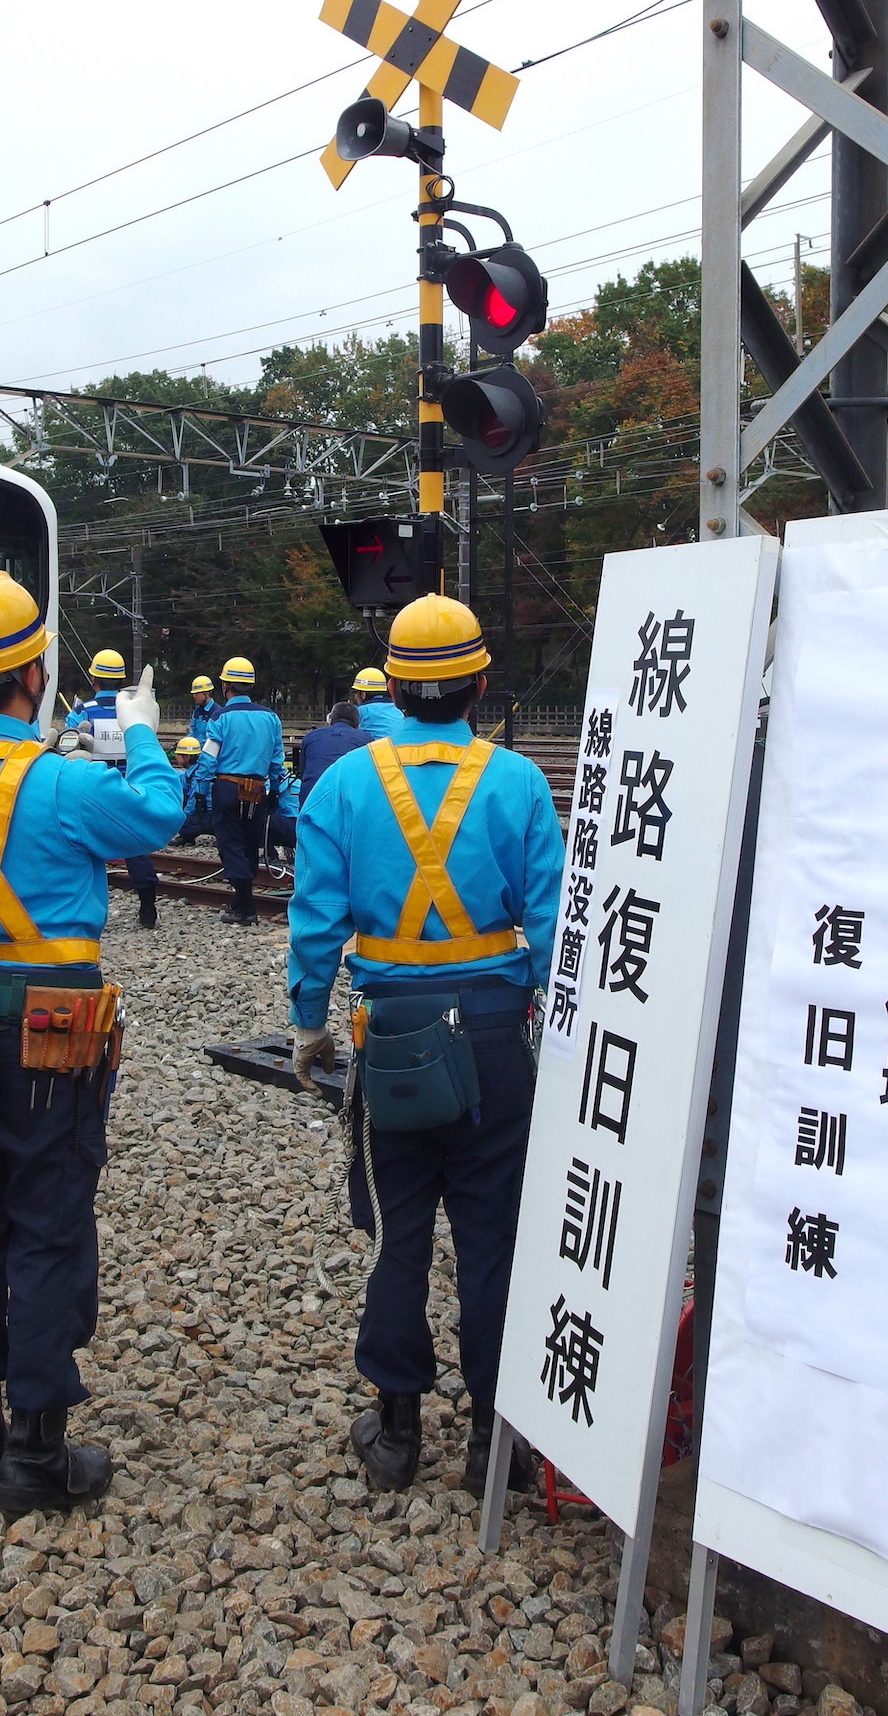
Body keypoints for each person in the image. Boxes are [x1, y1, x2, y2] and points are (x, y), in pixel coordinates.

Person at [0, 570, 183, 1513]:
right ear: (33, 673)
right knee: (46, 1228)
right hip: (48, 1031)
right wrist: (138, 728)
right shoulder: (63, 784)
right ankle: (40, 1457)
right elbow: (163, 815)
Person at [287, 595, 564, 1496]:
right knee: (494, 1239)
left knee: (400, 1231)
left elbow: (316, 920)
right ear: (483, 682)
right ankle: (497, 1438)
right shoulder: (519, 782)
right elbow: (556, 924)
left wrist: (308, 1020)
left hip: (395, 1037)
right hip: (492, 1036)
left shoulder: (342, 785)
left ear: (394, 688)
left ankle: (398, 1431)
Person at [67, 650, 159, 930]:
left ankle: (84, 911)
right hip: (128, 781)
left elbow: (70, 745)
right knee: (135, 845)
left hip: (92, 782)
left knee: (81, 846)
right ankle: (148, 908)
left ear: (93, 678)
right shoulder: (130, 708)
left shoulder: (84, 710)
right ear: (120, 681)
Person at [195, 655, 285, 927]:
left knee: (229, 843)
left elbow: (209, 756)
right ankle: (241, 899)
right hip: (258, 789)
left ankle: (244, 903)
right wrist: (275, 789)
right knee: (249, 844)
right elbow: (277, 758)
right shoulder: (271, 718)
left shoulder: (221, 718)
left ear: (225, 687)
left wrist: (200, 788)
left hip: (227, 787)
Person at [299, 701, 372, 808]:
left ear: (330, 720)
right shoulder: (366, 739)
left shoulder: (310, 737)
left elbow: (303, 772)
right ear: (357, 726)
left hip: (310, 799)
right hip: (349, 801)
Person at [173, 735, 213, 844]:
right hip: (210, 812)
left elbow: (193, 800)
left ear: (186, 757)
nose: (175, 757)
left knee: (182, 824)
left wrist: (182, 817)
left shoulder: (197, 775)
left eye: (178, 755)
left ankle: (188, 835)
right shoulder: (197, 770)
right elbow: (181, 780)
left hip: (208, 813)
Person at [351, 667, 407, 741]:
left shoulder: (361, 711)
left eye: (355, 692)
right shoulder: (398, 708)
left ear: (363, 694)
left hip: (377, 750)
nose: (354, 696)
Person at [188, 676, 220, 745]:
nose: (194, 696)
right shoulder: (197, 711)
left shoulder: (216, 712)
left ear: (207, 693)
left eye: (197, 694)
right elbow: (192, 731)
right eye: (193, 694)